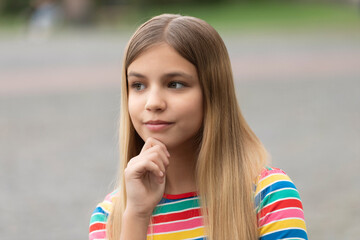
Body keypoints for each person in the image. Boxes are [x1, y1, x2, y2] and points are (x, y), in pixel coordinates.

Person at [89, 14, 308, 240]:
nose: (153, 102)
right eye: (138, 85)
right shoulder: (109, 218)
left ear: (213, 93)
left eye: (175, 84)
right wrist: (136, 216)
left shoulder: (268, 196)